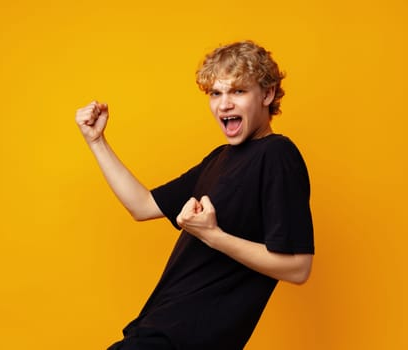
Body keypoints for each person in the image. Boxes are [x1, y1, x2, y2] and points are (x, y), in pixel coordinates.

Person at [75, 40, 314, 350]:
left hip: (184, 340)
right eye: (216, 93)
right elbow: (142, 205)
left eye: (238, 91)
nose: (224, 104)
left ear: (267, 95)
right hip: (153, 331)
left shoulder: (277, 154)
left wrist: (213, 236)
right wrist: (97, 142)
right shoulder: (219, 159)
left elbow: (298, 267)